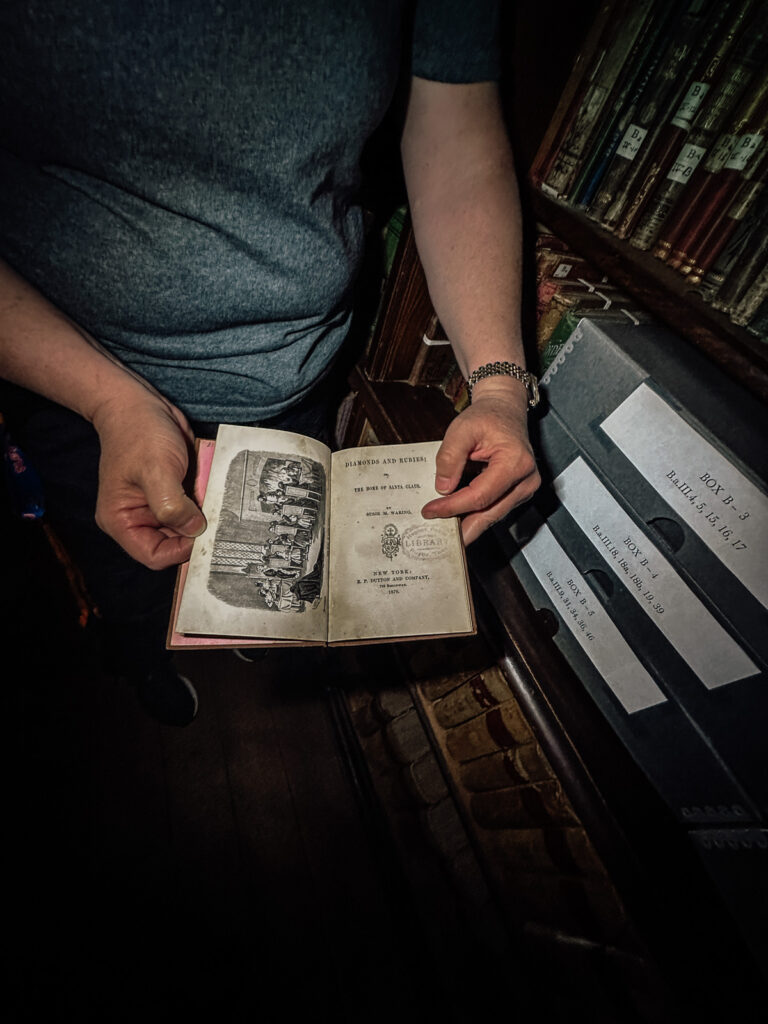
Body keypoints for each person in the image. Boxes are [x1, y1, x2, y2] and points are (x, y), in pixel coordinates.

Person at [0, 1, 540, 726]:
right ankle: (139, 660)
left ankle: (251, 631)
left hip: (296, 373)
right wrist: (109, 402)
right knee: (132, 575)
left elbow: (457, 138)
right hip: (78, 381)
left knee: (277, 570)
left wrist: (501, 385)